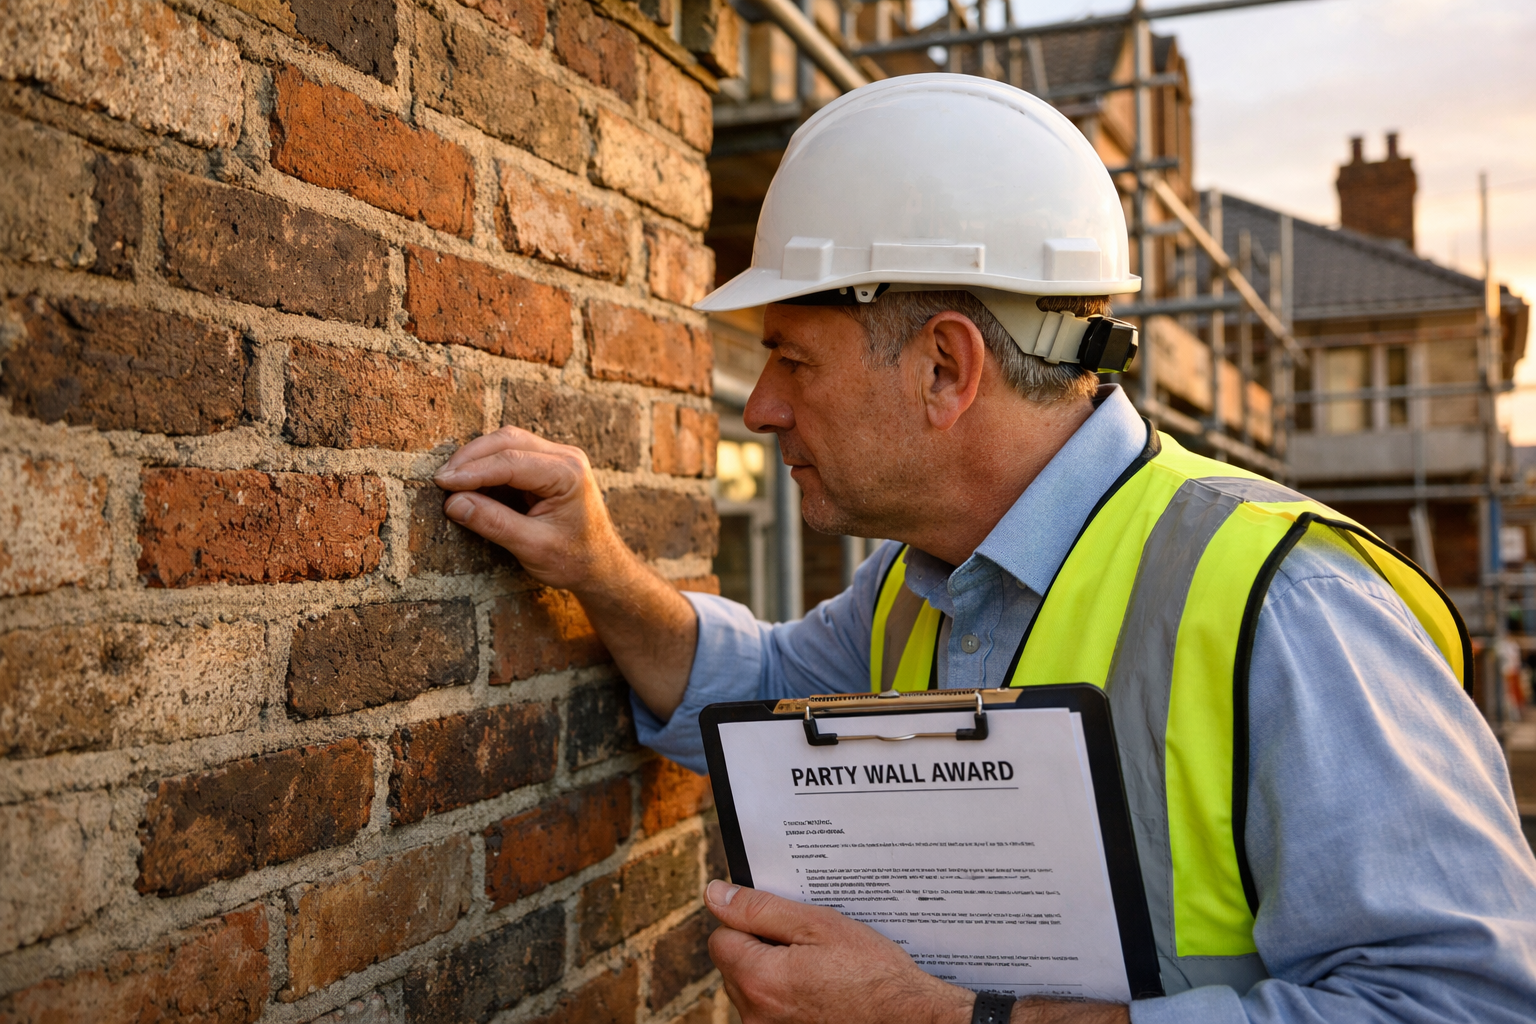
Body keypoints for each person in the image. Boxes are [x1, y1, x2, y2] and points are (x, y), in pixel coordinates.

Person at [431, 76, 1536, 1024]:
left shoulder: (1286, 604)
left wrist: (946, 1017)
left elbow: (1467, 1001)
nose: (759, 407)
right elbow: (759, 689)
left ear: (946, 371)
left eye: (791, 360)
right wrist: (598, 565)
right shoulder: (916, 587)